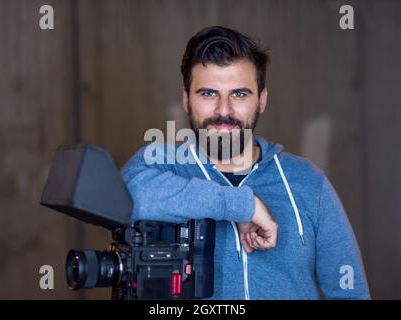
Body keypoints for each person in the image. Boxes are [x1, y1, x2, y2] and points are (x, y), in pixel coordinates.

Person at [121, 26, 370, 299]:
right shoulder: (161, 165)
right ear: (186, 98)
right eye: (208, 93)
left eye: (239, 94)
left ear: (261, 100)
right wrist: (243, 205)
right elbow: (127, 194)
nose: (224, 110)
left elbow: (350, 292)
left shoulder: (307, 181)